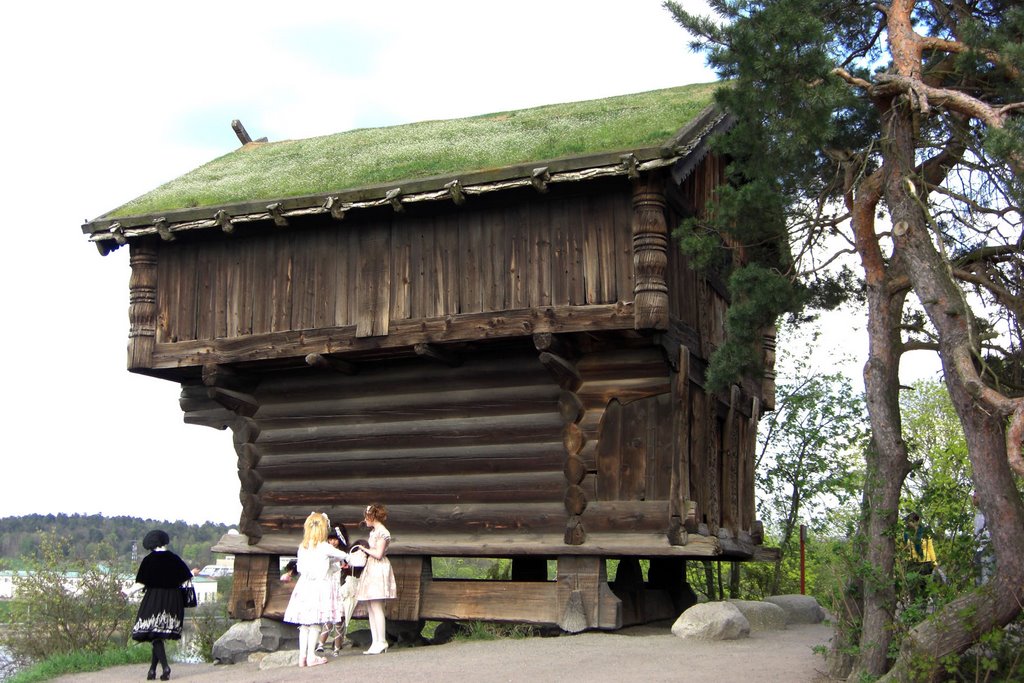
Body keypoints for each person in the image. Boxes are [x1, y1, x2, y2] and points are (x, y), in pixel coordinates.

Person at [122, 529, 193, 681]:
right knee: (158, 635)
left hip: (155, 599)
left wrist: (126, 593)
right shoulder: (175, 559)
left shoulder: (149, 560)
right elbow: (187, 579)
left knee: (153, 633)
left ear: (151, 545)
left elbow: (140, 584)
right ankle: (152, 671)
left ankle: (166, 667)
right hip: (174, 601)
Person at [283, 512, 349, 667]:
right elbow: (343, 555)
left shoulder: (303, 546)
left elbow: (300, 567)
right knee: (315, 623)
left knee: (304, 625)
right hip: (319, 587)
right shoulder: (324, 546)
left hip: (304, 586)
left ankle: (302, 656)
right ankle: (312, 656)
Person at [352, 503, 397, 655]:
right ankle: (375, 640)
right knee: (371, 606)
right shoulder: (374, 531)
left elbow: (378, 554)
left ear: (372, 517)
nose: (365, 520)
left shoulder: (383, 532)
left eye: (367, 517)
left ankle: (382, 640)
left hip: (378, 567)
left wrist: (363, 549)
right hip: (371, 567)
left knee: (377, 605)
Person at [903, 512, 937, 602]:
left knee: (923, 586)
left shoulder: (925, 532)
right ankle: (913, 604)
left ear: (915, 522)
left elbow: (930, 547)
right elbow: (904, 547)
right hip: (911, 562)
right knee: (912, 586)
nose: (907, 524)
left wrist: (934, 562)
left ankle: (923, 605)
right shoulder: (906, 533)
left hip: (925, 562)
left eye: (909, 522)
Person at [971, 491, 994, 585]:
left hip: (987, 547)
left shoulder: (991, 511)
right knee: (977, 580)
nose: (974, 496)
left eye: (976, 494)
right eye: (974, 494)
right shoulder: (978, 514)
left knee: (986, 579)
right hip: (977, 548)